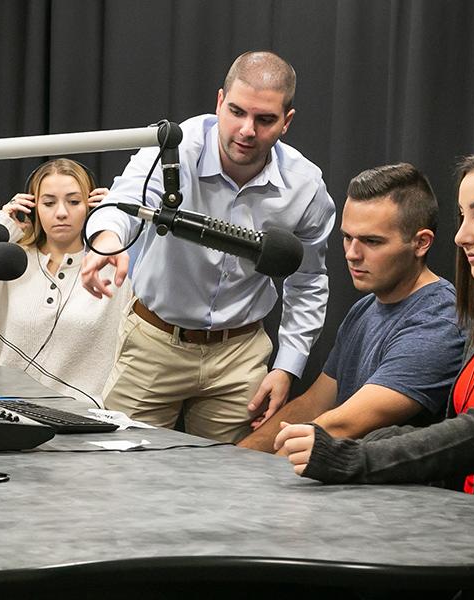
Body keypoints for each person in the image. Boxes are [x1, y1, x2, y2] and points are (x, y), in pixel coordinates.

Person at [275, 144, 474, 545]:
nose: (463, 236)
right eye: (463, 217)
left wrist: (350, 455)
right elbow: (453, 429)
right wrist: (373, 442)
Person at [81, 50, 336, 443]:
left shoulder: (305, 187)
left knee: (228, 489)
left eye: (265, 119)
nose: (246, 130)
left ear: (287, 122)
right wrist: (107, 242)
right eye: (236, 112)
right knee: (118, 473)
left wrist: (287, 366)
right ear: (219, 102)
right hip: (154, 342)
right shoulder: (171, 150)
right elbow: (123, 201)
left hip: (239, 354)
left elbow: (308, 281)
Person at [239, 163, 465, 452]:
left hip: (392, 494)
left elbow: (343, 425)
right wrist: (241, 456)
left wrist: (248, 479)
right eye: (348, 237)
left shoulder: (438, 322)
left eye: (372, 241)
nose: (352, 254)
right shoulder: (365, 309)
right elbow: (313, 404)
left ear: (421, 243)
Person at [0, 158, 131, 404]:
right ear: (33, 208)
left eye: (74, 201)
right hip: (10, 413)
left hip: (86, 419)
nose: (61, 213)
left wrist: (115, 221)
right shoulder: (9, 262)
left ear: (91, 207)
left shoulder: (113, 265)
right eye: (48, 203)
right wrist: (2, 228)